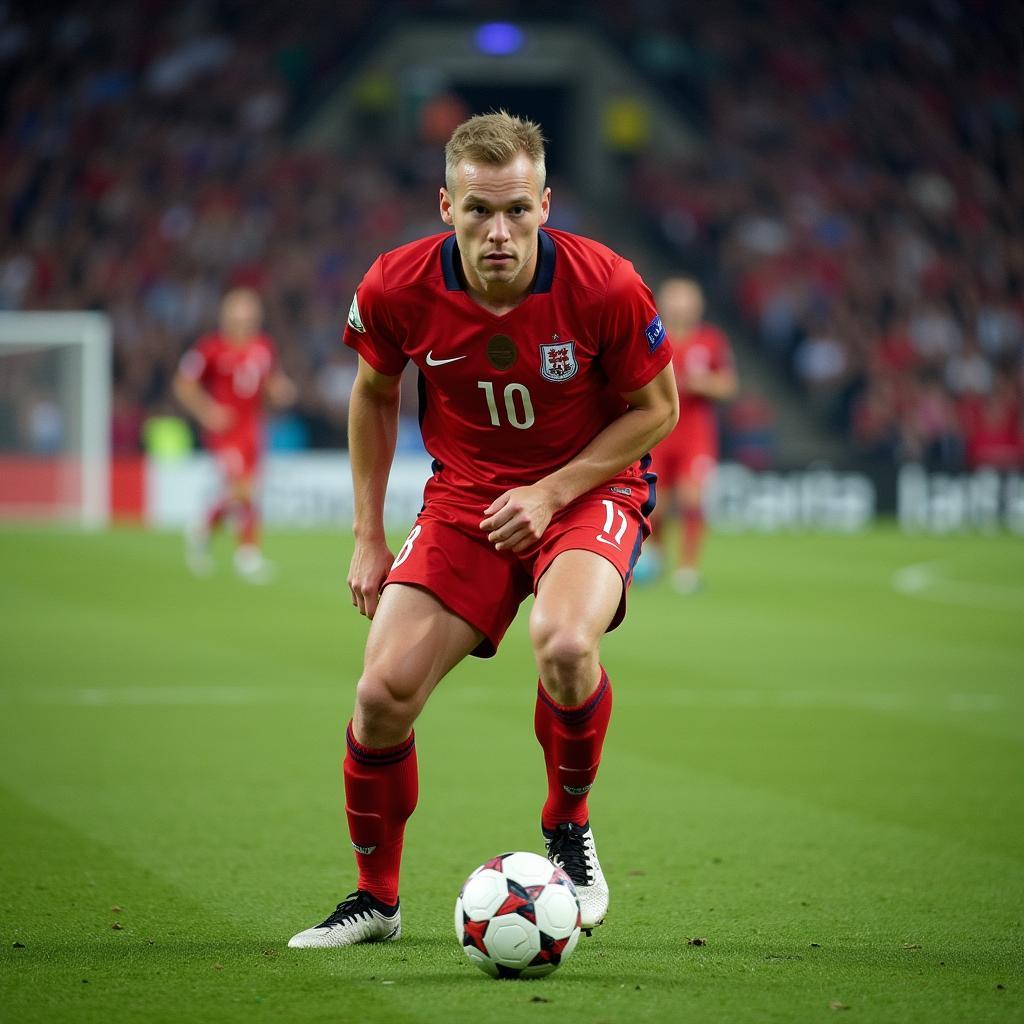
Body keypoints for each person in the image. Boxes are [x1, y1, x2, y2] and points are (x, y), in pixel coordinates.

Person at [288, 112, 678, 950]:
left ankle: (567, 832)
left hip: (588, 489)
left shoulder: (606, 284)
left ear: (546, 204)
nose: (497, 232)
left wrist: (552, 491)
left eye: (516, 211)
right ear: (445, 206)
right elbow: (372, 393)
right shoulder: (396, 287)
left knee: (567, 645)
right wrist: (367, 533)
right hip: (465, 500)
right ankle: (375, 899)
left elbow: (659, 409)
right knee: (380, 696)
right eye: (477, 211)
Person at [172, 287, 296, 582]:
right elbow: (183, 384)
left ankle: (208, 530)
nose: (246, 317)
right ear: (227, 315)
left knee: (247, 491)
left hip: (253, 428)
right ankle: (243, 553)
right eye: (240, 311)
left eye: (251, 311)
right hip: (227, 430)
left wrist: (281, 391)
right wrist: (207, 411)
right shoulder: (211, 348)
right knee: (244, 489)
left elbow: (270, 383)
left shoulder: (264, 347)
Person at [640, 277, 737, 594]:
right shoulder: (651, 336)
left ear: (698, 305)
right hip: (659, 430)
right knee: (660, 505)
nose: (682, 305)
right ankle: (656, 557)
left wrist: (703, 383)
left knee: (692, 498)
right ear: (663, 303)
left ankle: (688, 569)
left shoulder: (710, 341)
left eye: (687, 299)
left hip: (696, 433)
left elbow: (728, 386)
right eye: (676, 298)